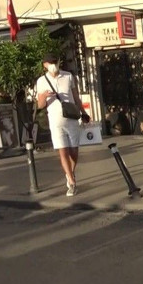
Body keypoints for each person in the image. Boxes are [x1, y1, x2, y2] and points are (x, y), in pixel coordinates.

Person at [36, 54, 90, 197]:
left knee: (74, 152)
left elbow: (76, 97)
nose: (53, 65)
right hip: (55, 120)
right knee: (63, 151)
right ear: (45, 65)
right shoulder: (41, 81)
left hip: (71, 119)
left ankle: (69, 174)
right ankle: (72, 182)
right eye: (50, 63)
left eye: (55, 62)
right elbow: (40, 105)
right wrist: (44, 96)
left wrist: (83, 112)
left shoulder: (68, 76)